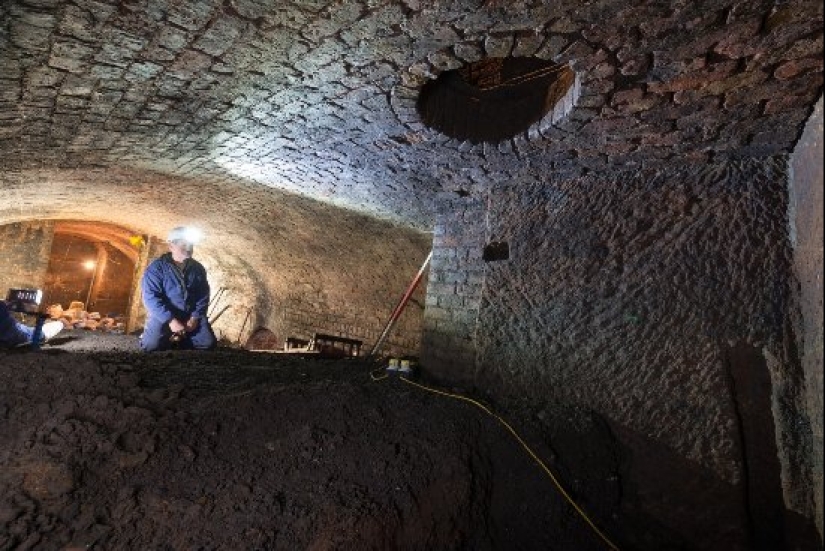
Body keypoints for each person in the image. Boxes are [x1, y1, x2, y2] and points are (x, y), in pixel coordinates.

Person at [139, 226, 217, 352]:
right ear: (171, 246)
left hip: (189, 314)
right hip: (164, 315)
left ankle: (179, 339)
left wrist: (195, 317)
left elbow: (203, 294)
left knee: (208, 343)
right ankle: (149, 336)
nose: (189, 247)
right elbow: (150, 298)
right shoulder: (156, 268)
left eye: (191, 244)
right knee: (151, 346)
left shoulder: (197, 268)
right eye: (184, 244)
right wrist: (171, 320)